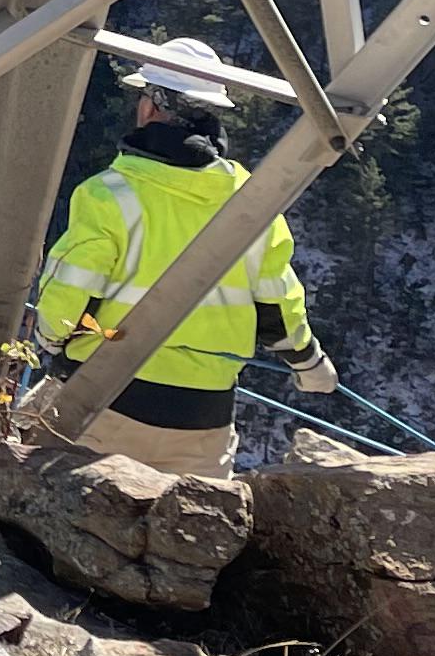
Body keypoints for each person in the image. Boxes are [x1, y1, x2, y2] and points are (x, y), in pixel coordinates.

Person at [32, 35, 333, 476]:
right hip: (202, 417)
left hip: (104, 399)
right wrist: (309, 364)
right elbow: (279, 306)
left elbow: (68, 294)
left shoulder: (108, 195)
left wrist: (49, 344)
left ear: (152, 106)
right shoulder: (252, 203)